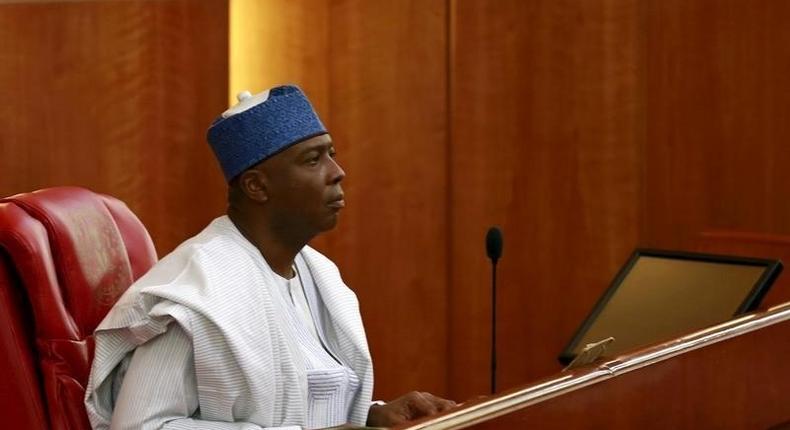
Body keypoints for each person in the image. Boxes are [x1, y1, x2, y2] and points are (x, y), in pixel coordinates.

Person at [84, 85, 455, 429]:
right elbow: (142, 426)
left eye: (332, 154)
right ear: (257, 186)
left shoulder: (319, 274)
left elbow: (300, 402)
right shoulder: (198, 297)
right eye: (313, 160)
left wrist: (373, 417)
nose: (337, 173)